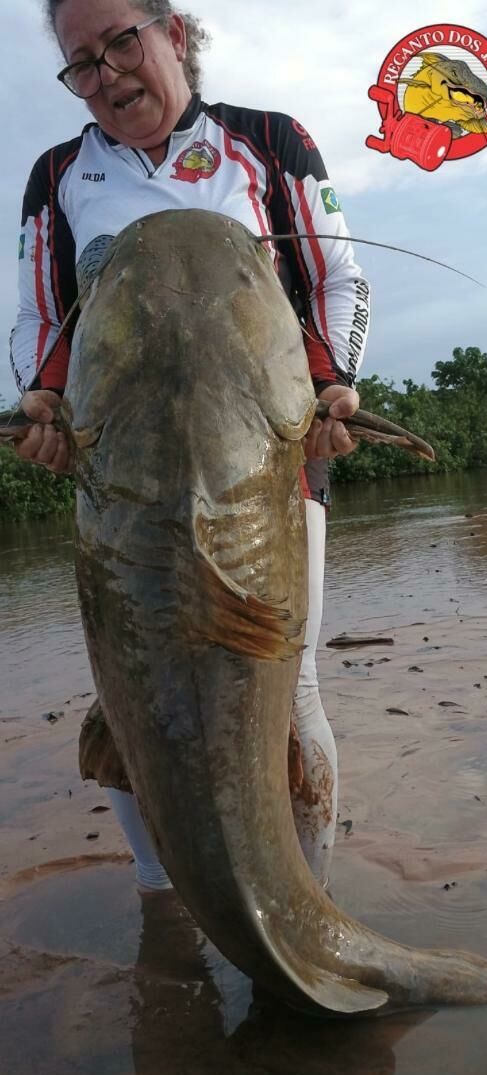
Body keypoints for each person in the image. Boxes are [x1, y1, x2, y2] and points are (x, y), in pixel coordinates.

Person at [11, 0, 372, 891]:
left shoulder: (271, 142)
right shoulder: (57, 175)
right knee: (128, 701)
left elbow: (335, 276)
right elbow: (42, 316)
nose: (108, 74)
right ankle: (163, 897)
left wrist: (333, 384)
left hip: (271, 461)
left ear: (174, 34)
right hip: (121, 476)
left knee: (290, 687)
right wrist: (41, 405)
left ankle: (306, 891)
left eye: (121, 42)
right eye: (82, 62)